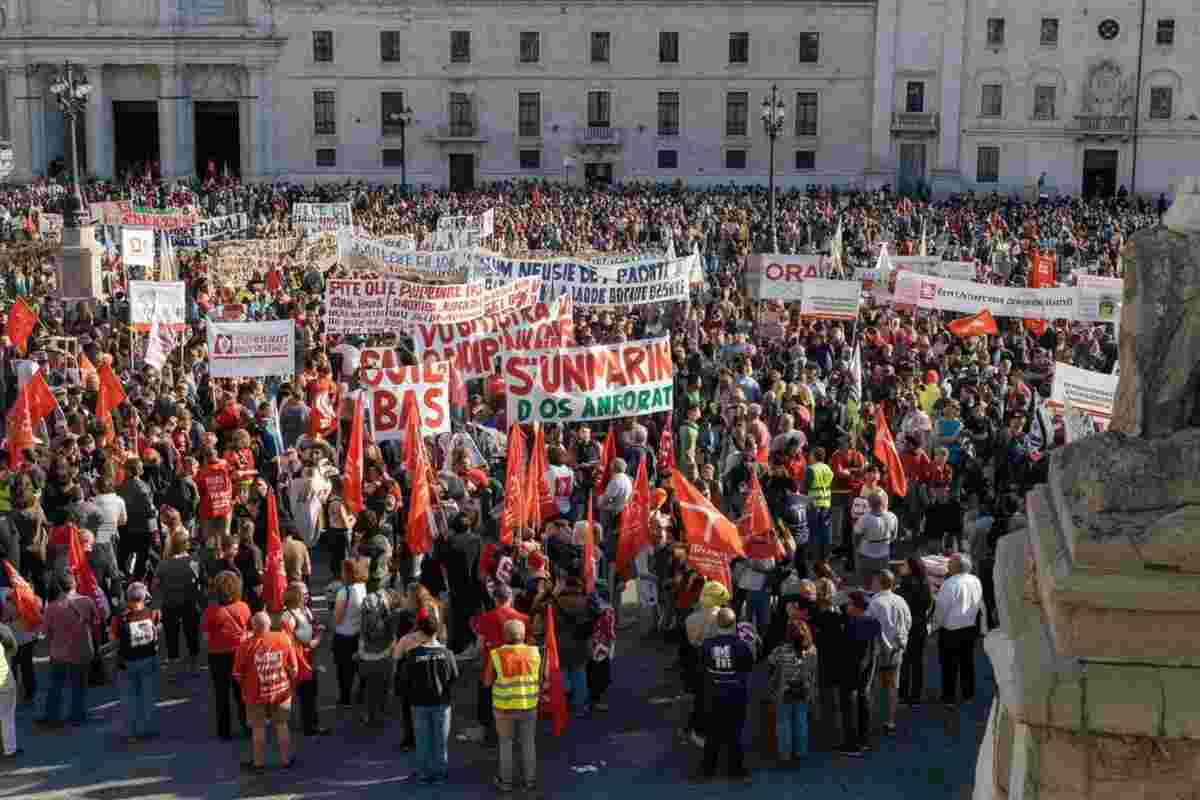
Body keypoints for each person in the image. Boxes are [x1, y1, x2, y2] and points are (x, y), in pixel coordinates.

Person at [692, 607, 754, 783]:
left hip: (713, 695)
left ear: (716, 623)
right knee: (735, 734)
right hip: (736, 694)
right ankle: (736, 771)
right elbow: (748, 666)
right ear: (734, 624)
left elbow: (701, 667)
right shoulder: (741, 646)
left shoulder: (707, 645)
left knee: (712, 735)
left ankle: (707, 771)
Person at [399, 605, 459, 785]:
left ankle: (424, 774)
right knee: (441, 740)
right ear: (437, 631)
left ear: (420, 632)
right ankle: (440, 773)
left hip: (419, 703)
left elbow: (405, 679)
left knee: (422, 739)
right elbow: (454, 676)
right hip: (442, 702)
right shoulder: (447, 653)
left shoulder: (412, 655)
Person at [233, 611, 299, 772]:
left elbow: (237, 674)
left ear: (252, 628)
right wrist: (290, 684)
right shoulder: (284, 639)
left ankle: (258, 764)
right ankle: (286, 760)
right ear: (269, 624)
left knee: (258, 727)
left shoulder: (244, 646)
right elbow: (294, 668)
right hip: (281, 690)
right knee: (282, 725)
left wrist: (246, 686)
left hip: (255, 693)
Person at [484, 618, 541, 793]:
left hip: (504, 707)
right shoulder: (534, 652)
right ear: (523, 635)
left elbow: (486, 681)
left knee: (506, 744)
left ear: (505, 635)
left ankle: (506, 782)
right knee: (528, 743)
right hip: (528, 704)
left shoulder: (496, 654)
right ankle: (530, 781)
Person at [108, 581, 161, 742]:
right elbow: (157, 632)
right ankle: (147, 729)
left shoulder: (121, 617)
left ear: (128, 598)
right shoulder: (151, 613)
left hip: (127, 663)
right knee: (148, 696)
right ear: (144, 598)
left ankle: (131, 733)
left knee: (129, 699)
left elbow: (112, 639)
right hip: (148, 659)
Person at [201, 570, 251, 739]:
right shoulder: (244, 607)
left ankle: (224, 730)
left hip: (217, 656)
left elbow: (206, 637)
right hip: (239, 654)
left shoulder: (211, 611)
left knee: (221, 694)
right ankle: (247, 725)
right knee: (242, 693)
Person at [932, 553, 986, 710]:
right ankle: (968, 693)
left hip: (951, 630)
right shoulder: (975, 580)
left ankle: (949, 697)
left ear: (954, 567)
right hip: (970, 627)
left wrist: (935, 626)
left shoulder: (949, 584)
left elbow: (941, 609)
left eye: (950, 563)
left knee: (949, 665)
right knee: (967, 661)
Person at [837, 591, 882, 757]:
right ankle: (864, 740)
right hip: (869, 666)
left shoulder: (850, 624)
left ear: (855, 607)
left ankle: (851, 743)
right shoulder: (873, 622)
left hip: (851, 667)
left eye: (849, 604)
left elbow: (845, 648)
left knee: (848, 705)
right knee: (864, 700)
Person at [866, 569, 911, 734]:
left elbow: (869, 625)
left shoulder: (875, 603)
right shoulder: (900, 600)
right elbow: (908, 622)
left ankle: (874, 718)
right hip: (897, 648)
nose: (871, 583)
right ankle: (890, 720)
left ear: (879, 582)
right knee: (892, 685)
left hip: (878, 650)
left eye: (873, 581)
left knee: (874, 684)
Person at [767, 621, 818, 763]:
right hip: (803, 690)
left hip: (784, 691)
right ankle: (800, 752)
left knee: (783, 724)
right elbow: (814, 672)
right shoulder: (812, 650)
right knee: (801, 722)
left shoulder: (780, 650)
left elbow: (770, 665)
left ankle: (785, 755)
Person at [153, 528, 203, 671]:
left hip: (169, 604)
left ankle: (173, 661)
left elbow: (155, 586)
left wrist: (156, 605)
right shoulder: (194, 561)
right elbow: (202, 580)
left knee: (171, 633)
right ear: (186, 544)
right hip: (190, 603)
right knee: (192, 632)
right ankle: (194, 661)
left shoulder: (163, 564)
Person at [332, 557, 368, 707]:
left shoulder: (343, 592)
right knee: (359, 668)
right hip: (359, 635)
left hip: (343, 637)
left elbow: (338, 619)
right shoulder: (362, 587)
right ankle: (361, 696)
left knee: (344, 671)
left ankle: (345, 699)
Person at [897, 556, 933, 707]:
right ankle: (916, 696)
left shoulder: (905, 585)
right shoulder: (925, 583)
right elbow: (929, 604)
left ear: (911, 568)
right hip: (920, 625)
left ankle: (903, 695)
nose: (901, 566)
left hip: (907, 626)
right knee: (917, 662)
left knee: (905, 662)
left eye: (904, 564)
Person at [853, 493, 897, 587]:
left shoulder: (864, 519)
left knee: (867, 582)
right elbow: (894, 536)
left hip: (867, 554)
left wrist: (857, 548)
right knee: (884, 582)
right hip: (884, 554)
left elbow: (857, 536)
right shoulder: (892, 517)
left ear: (869, 504)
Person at [0, 618, 18, 757]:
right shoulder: (4, 629)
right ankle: (9, 749)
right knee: (7, 717)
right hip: (4, 680)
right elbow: (13, 649)